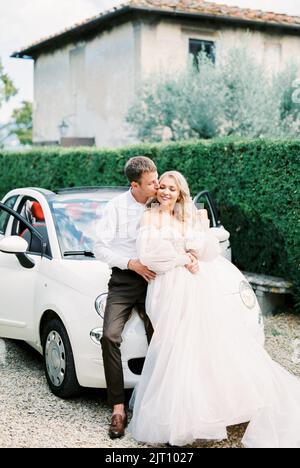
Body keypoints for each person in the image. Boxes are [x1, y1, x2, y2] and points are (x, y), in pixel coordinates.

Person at [128, 170, 300, 448]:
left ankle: (201, 414)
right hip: (167, 288)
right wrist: (184, 257)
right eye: (163, 187)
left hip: (195, 288)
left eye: (173, 189)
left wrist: (196, 247)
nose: (166, 192)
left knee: (199, 346)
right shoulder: (151, 216)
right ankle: (174, 418)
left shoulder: (186, 217)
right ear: (156, 190)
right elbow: (150, 255)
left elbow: (210, 251)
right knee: (172, 345)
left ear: (180, 193)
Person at [94, 158, 198, 439]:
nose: (158, 186)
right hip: (126, 281)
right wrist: (130, 263)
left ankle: (164, 409)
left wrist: (191, 253)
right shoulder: (115, 208)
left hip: (161, 281)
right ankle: (118, 408)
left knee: (164, 338)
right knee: (110, 335)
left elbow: (188, 233)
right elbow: (99, 246)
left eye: (159, 181)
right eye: (153, 182)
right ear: (135, 185)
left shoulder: (164, 203)